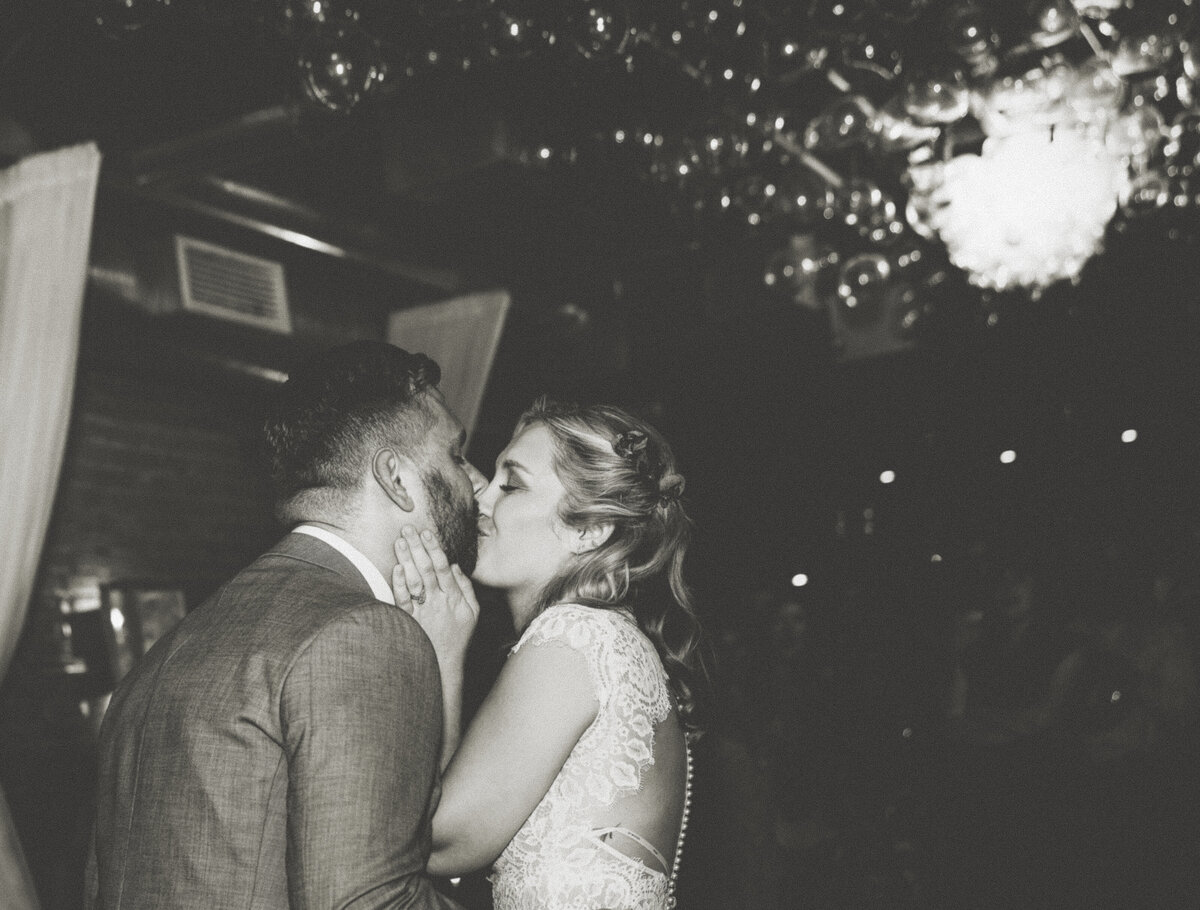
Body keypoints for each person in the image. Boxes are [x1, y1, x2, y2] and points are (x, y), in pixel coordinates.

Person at [86, 341, 484, 909]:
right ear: (396, 478)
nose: (477, 479)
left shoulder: (174, 644)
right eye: (458, 454)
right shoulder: (363, 633)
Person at [391, 399, 706, 910]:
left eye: (511, 485)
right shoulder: (610, 640)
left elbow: (440, 841)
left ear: (590, 529)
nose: (480, 497)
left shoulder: (575, 638)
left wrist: (439, 653)